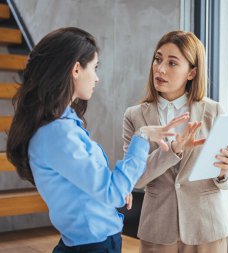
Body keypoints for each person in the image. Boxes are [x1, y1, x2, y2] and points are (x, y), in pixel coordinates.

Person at [6, 27, 190, 253]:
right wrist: (142, 136)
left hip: (97, 241)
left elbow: (92, 184)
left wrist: (118, 187)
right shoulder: (58, 133)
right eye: (94, 68)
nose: (97, 77)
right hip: (92, 246)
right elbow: (110, 192)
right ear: (76, 69)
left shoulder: (66, 123)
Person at [122, 30, 228, 253]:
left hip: (208, 228)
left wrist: (225, 172)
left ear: (192, 72)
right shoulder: (134, 116)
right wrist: (172, 150)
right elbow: (134, 178)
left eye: (172, 63)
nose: (160, 68)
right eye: (158, 59)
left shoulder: (213, 112)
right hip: (158, 229)